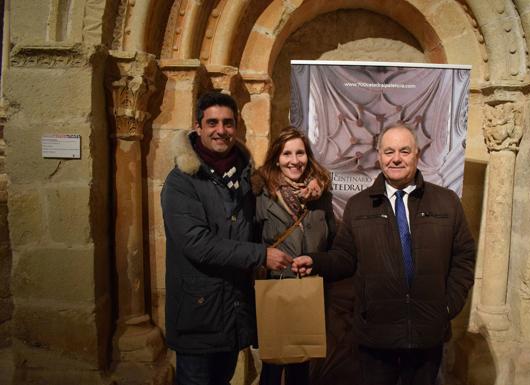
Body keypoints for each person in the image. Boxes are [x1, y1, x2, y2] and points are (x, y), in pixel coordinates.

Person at [292, 123, 475, 385]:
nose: (396, 158)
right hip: (376, 335)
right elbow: (344, 257)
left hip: (427, 332)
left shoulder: (446, 202)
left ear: (417, 154)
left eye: (404, 151)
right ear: (379, 156)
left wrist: (447, 306)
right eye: (389, 152)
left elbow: (464, 257)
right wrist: (316, 261)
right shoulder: (359, 205)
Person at [161, 92, 292, 385]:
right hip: (198, 315)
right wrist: (261, 255)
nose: (221, 130)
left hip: (233, 313)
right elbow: (197, 243)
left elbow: (267, 209)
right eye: (213, 122)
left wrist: (307, 190)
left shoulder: (245, 176)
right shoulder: (181, 182)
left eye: (228, 123)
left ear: (237, 126)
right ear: (198, 126)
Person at [253, 127, 336, 385]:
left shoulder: (320, 196)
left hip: (309, 290)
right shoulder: (260, 194)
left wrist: (315, 261)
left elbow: (331, 238)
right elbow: (249, 240)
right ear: (277, 158)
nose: (294, 160)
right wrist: (264, 256)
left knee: (302, 367)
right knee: (273, 367)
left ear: (307, 157)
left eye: (300, 153)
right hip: (275, 288)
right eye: (287, 153)